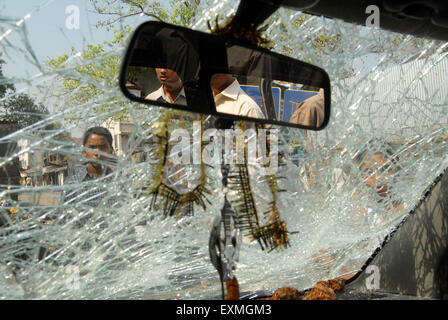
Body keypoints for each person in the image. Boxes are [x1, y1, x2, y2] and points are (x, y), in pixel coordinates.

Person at [63, 126, 117, 208]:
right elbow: (65, 218)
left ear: (111, 151)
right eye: (92, 147)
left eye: (103, 147)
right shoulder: (73, 185)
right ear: (84, 152)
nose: (97, 152)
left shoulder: (120, 182)